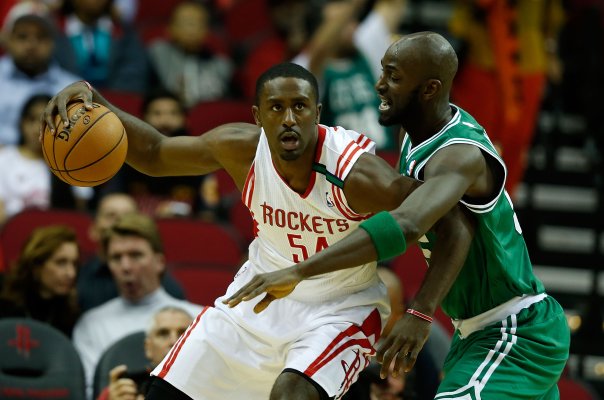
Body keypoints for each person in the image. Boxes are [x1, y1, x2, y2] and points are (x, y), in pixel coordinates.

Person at [42, 62, 473, 400]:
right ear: (257, 115)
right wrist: (98, 103)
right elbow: (155, 154)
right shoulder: (241, 147)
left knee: (292, 394)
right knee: (162, 393)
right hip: (258, 296)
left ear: (317, 113)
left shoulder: (357, 175)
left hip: (339, 308)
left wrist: (419, 312)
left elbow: (453, 224)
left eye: (300, 107)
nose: (289, 119)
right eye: (276, 108)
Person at [226, 33, 571, 399]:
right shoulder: (417, 134)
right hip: (475, 330)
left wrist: (300, 270)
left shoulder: (459, 156)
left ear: (428, 89)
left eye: (392, 76)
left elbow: (408, 223)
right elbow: (460, 229)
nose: (379, 85)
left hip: (515, 329)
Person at [71, 212, 202, 397]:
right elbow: (87, 393)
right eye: (116, 257)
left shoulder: (198, 320)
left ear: (159, 262)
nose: (125, 266)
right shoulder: (91, 325)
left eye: (135, 255)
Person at [448, 0, 565, 196]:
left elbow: (551, 14)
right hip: (481, 57)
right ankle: (459, 213)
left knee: (514, 146)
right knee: (470, 142)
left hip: (526, 61)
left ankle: (501, 215)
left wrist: (550, 48)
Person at [76, 192, 186, 312]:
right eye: (110, 215)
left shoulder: (165, 284)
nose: (120, 221)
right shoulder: (78, 280)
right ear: (93, 229)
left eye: (128, 215)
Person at [0, 93, 93, 224]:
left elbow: (78, 216)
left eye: (47, 121)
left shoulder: (68, 164)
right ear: (21, 123)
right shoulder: (4, 159)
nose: (38, 127)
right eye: (32, 119)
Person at [0, 1, 81, 146]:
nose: (31, 44)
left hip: (52, 166)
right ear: (8, 39)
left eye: (41, 37)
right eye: (22, 36)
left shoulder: (73, 89)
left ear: (53, 42)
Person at [147, 1, 234, 108]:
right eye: (186, 23)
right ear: (170, 28)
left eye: (198, 23)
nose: (192, 29)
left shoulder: (222, 65)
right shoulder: (157, 54)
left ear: (207, 30)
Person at [96, 306, 194, 400]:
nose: (174, 341)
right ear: (148, 348)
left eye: (183, 333)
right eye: (163, 334)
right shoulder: (122, 390)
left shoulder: (208, 383)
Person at [0, 225, 80, 337]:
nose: (71, 273)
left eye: (75, 264)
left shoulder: (70, 314)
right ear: (36, 265)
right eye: (61, 263)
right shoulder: (4, 302)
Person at [53, 0, 149, 93]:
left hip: (115, 100)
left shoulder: (123, 31)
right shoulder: (54, 31)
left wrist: (113, 99)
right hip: (69, 98)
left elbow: (134, 68)